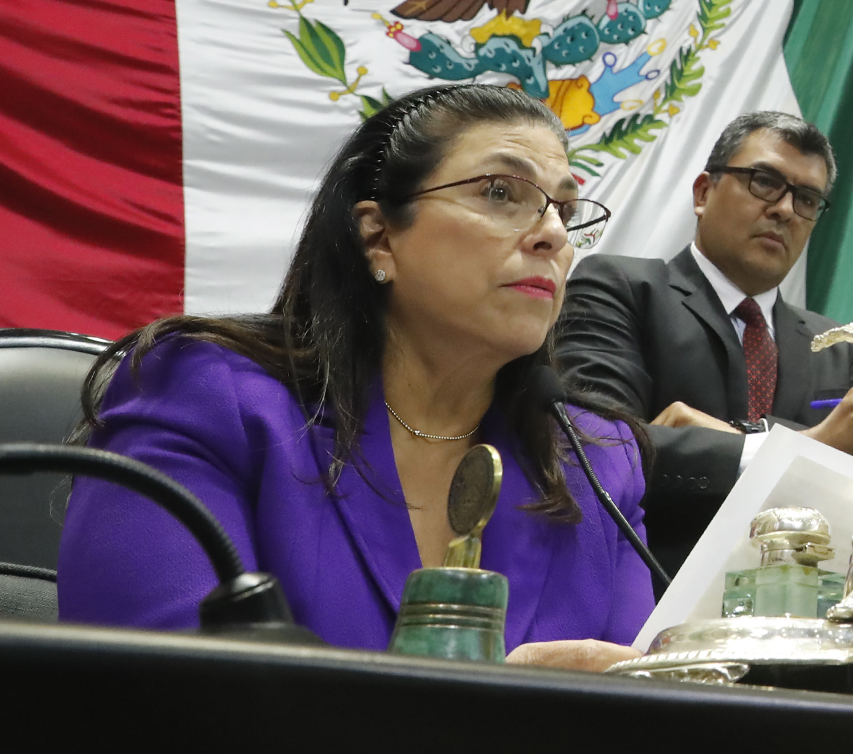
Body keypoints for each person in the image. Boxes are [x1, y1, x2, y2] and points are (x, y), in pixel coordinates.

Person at [58, 83, 651, 667]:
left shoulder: (597, 462)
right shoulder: (207, 397)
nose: (553, 236)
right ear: (379, 236)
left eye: (565, 211)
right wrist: (493, 711)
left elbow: (654, 702)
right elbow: (155, 692)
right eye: (500, 192)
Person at [554, 112, 853, 574]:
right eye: (765, 182)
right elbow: (596, 446)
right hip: (644, 593)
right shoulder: (618, 287)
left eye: (806, 199)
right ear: (704, 193)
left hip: (801, 603)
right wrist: (810, 443)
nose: (785, 210)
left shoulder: (840, 349)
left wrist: (733, 438)